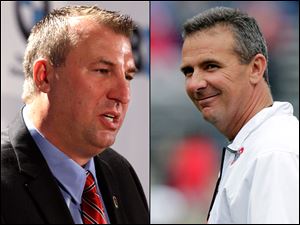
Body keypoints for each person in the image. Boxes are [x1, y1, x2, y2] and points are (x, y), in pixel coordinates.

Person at [1, 5, 149, 224]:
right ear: (44, 76)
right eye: (102, 71)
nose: (123, 94)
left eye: (127, 76)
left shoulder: (120, 172)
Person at [180, 7, 299, 224]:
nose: (195, 83)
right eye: (189, 71)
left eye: (211, 66)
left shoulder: (273, 152)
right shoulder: (255, 146)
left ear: (256, 68)